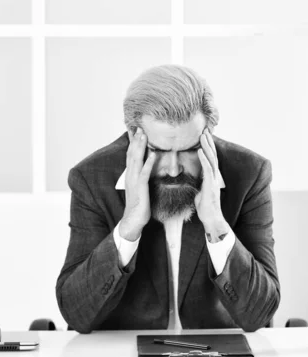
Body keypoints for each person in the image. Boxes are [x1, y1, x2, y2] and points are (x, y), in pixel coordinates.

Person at [55, 64, 280, 333]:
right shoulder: (92, 179)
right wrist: (129, 227)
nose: (173, 169)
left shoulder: (250, 174)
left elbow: (260, 314)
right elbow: (76, 314)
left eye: (189, 150)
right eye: (158, 151)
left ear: (209, 134)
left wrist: (217, 226)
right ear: (133, 136)